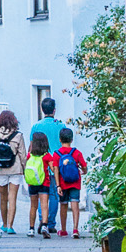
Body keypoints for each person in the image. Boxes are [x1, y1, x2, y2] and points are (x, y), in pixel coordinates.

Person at [28, 95, 66, 238]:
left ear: (42, 110)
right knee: (55, 194)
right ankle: (50, 223)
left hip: (40, 165)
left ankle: (41, 221)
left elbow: (31, 147)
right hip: (57, 164)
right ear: (54, 110)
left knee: (40, 195)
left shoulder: (36, 126)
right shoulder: (61, 125)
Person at [0, 108, 27, 233]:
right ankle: (11, 226)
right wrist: (24, 168)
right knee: (12, 198)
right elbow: (23, 154)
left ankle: (4, 223)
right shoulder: (18, 135)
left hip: (0, 169)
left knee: (3, 198)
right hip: (15, 169)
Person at [53, 125, 87, 238]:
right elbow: (84, 166)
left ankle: (63, 229)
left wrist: (58, 185)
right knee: (75, 204)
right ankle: (75, 229)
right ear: (72, 140)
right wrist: (83, 171)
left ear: (60, 139)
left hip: (63, 183)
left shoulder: (57, 154)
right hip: (75, 182)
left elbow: (56, 170)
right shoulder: (77, 153)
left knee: (63, 205)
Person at [23, 129, 53, 237]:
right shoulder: (47, 156)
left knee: (33, 206)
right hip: (44, 183)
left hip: (32, 183)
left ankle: (31, 228)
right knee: (44, 205)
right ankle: (45, 225)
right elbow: (53, 169)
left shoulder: (30, 155)